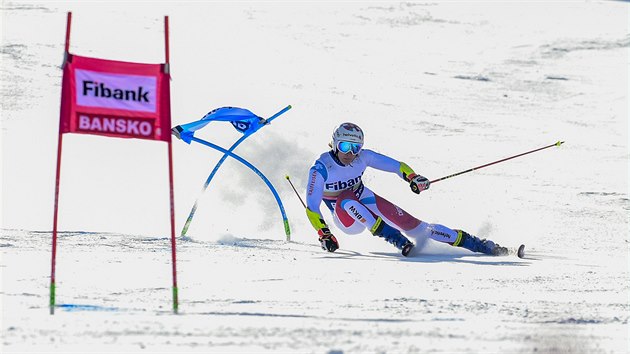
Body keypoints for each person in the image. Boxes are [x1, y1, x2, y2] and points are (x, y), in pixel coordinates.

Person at [305, 122, 509, 257]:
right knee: (348, 198)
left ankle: (478, 245)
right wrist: (324, 233)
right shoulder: (321, 168)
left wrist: (413, 177)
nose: (350, 153)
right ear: (334, 144)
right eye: (344, 146)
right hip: (347, 219)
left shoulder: (364, 157)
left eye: (355, 148)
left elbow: (397, 166)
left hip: (364, 201)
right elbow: (312, 206)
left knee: (416, 227)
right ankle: (394, 238)